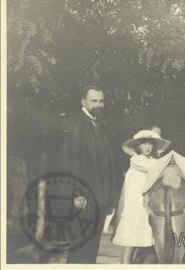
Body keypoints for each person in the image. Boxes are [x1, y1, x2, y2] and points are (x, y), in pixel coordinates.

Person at [62, 86, 117, 263]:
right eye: (94, 101)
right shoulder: (76, 124)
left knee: (91, 249)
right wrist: (77, 194)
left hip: (99, 199)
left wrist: (108, 198)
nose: (98, 105)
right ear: (83, 101)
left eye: (101, 101)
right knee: (80, 247)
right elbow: (71, 161)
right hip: (84, 199)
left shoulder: (99, 125)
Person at [112, 129, 171, 263]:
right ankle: (125, 264)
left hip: (149, 203)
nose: (148, 147)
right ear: (138, 145)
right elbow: (155, 168)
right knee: (132, 239)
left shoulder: (155, 160)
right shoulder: (136, 160)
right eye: (144, 144)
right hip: (136, 205)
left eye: (150, 144)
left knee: (146, 239)